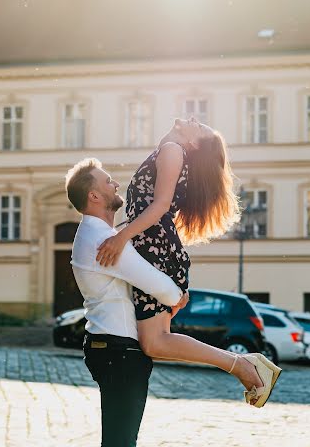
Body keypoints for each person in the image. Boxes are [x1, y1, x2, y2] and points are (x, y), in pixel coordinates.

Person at [96, 117, 281, 407]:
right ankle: (244, 364)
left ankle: (243, 366)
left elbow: (158, 207)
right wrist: (121, 235)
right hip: (154, 249)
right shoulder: (168, 149)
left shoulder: (172, 150)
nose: (195, 120)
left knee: (155, 342)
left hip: (155, 251)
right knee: (157, 341)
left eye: (201, 127)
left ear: (192, 143)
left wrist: (120, 238)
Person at [65, 157, 187, 447]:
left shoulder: (97, 235)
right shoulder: (104, 240)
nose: (116, 184)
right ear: (95, 194)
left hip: (111, 350)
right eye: (108, 181)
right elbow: (160, 286)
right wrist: (178, 295)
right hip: (118, 353)